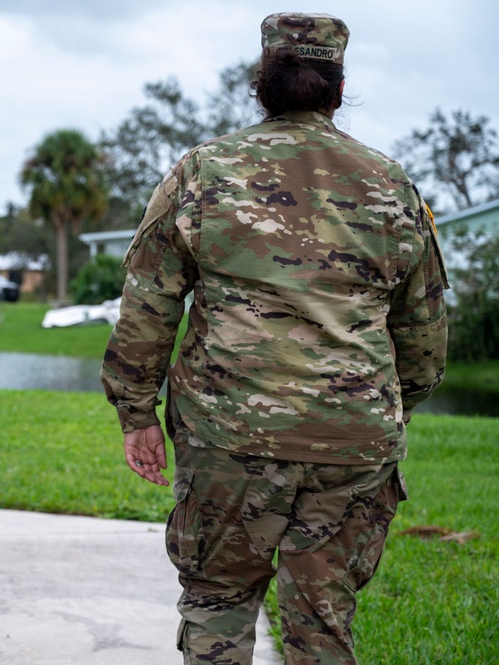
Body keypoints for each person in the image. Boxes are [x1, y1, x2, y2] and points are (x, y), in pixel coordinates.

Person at [101, 13, 447, 665]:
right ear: (337, 88)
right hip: (351, 445)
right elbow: (423, 337)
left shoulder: (203, 171)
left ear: (261, 85)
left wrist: (135, 411)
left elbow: (147, 304)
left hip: (227, 437)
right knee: (322, 619)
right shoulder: (390, 183)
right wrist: (374, 406)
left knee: (216, 603)